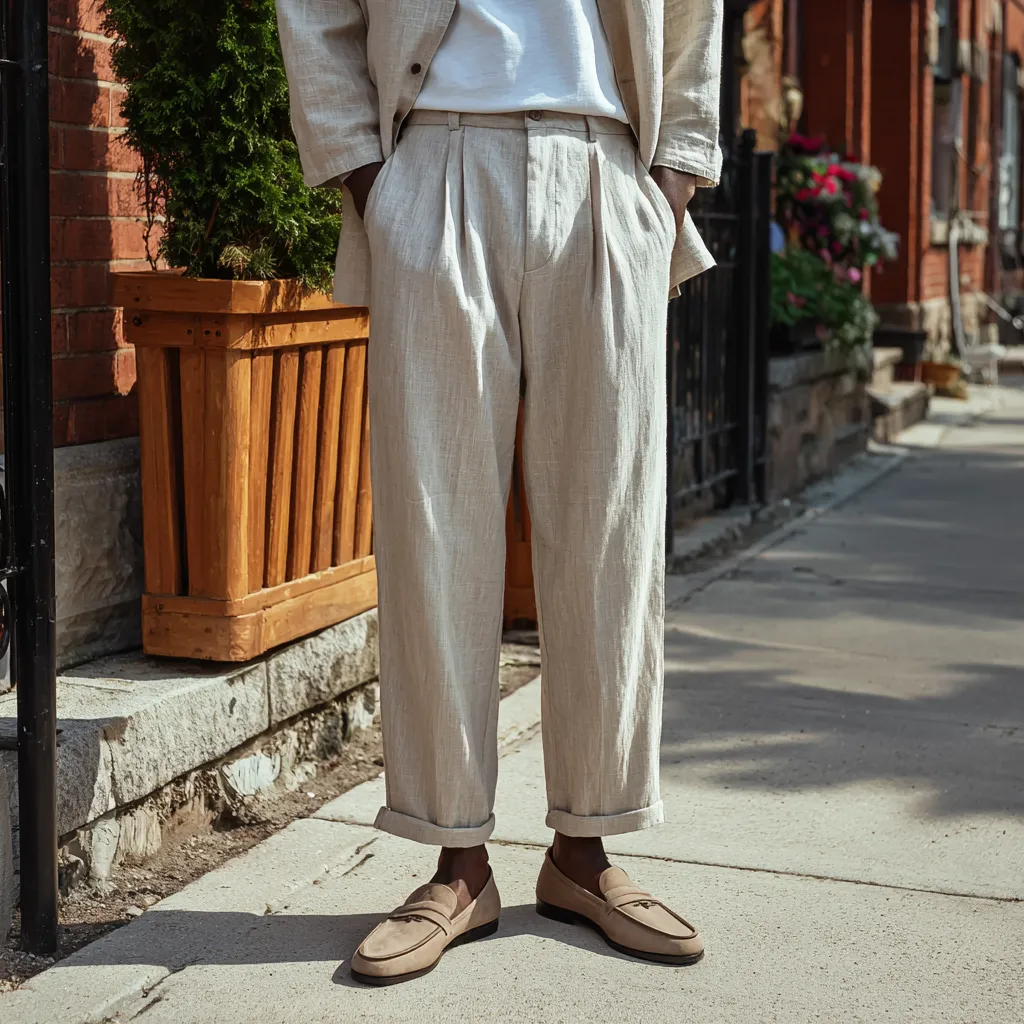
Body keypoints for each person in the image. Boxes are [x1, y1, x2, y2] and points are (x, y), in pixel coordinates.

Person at [276, 0, 723, 984]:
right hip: (434, 158)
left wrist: (671, 183)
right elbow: (314, 11)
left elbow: (691, 22)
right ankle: (455, 860)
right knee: (434, 522)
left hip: (605, 164)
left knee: (609, 527)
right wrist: (367, 176)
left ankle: (586, 851)